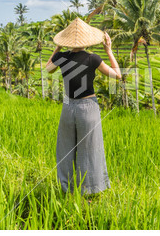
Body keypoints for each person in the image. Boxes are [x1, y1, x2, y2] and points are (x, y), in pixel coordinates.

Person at [45, 29, 121, 196]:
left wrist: (57, 48)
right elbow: (117, 75)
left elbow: (48, 69)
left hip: (67, 106)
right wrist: (108, 50)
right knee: (90, 150)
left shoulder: (61, 57)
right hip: (88, 107)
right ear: (87, 40)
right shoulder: (92, 58)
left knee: (65, 148)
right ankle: (88, 191)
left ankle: (66, 190)